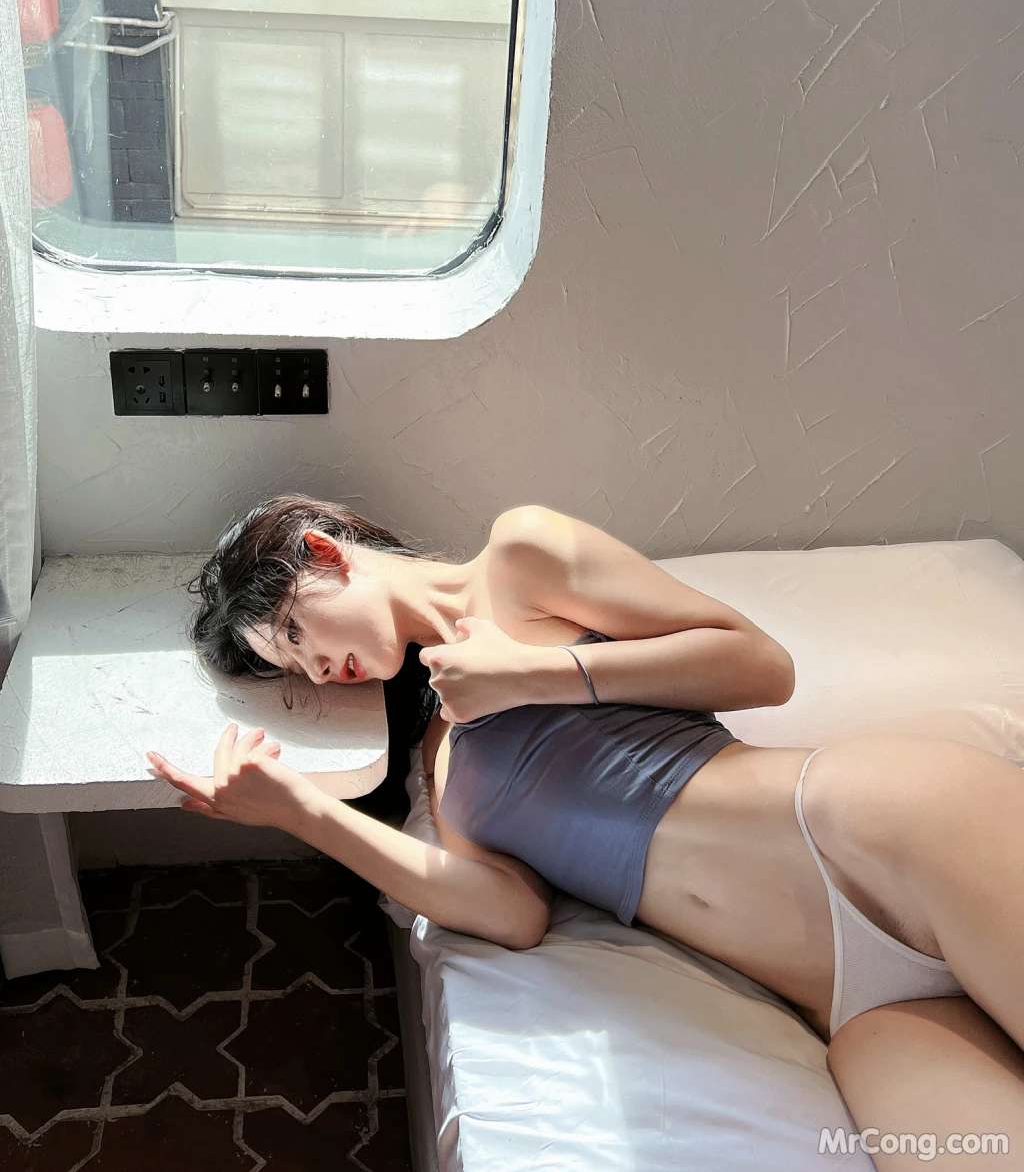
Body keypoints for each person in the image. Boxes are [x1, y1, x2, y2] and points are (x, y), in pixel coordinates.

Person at [146, 493, 1024, 1162]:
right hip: (857, 1008)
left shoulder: (519, 556)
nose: (317, 669)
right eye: (293, 666)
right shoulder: (441, 752)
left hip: (887, 829)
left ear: (325, 551)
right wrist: (305, 811)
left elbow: (762, 665)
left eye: (296, 630)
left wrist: (535, 674)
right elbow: (512, 913)